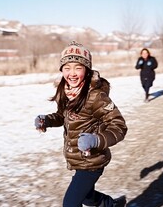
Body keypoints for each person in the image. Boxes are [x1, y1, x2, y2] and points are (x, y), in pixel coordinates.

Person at [34, 41, 128, 207]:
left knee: (70, 203)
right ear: (61, 69)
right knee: (86, 197)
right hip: (78, 158)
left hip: (92, 160)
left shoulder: (96, 97)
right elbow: (62, 116)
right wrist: (46, 120)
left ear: (87, 69)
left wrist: (96, 140)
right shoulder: (66, 91)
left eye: (78, 67)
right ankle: (112, 205)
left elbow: (119, 126)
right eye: (67, 67)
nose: (72, 73)